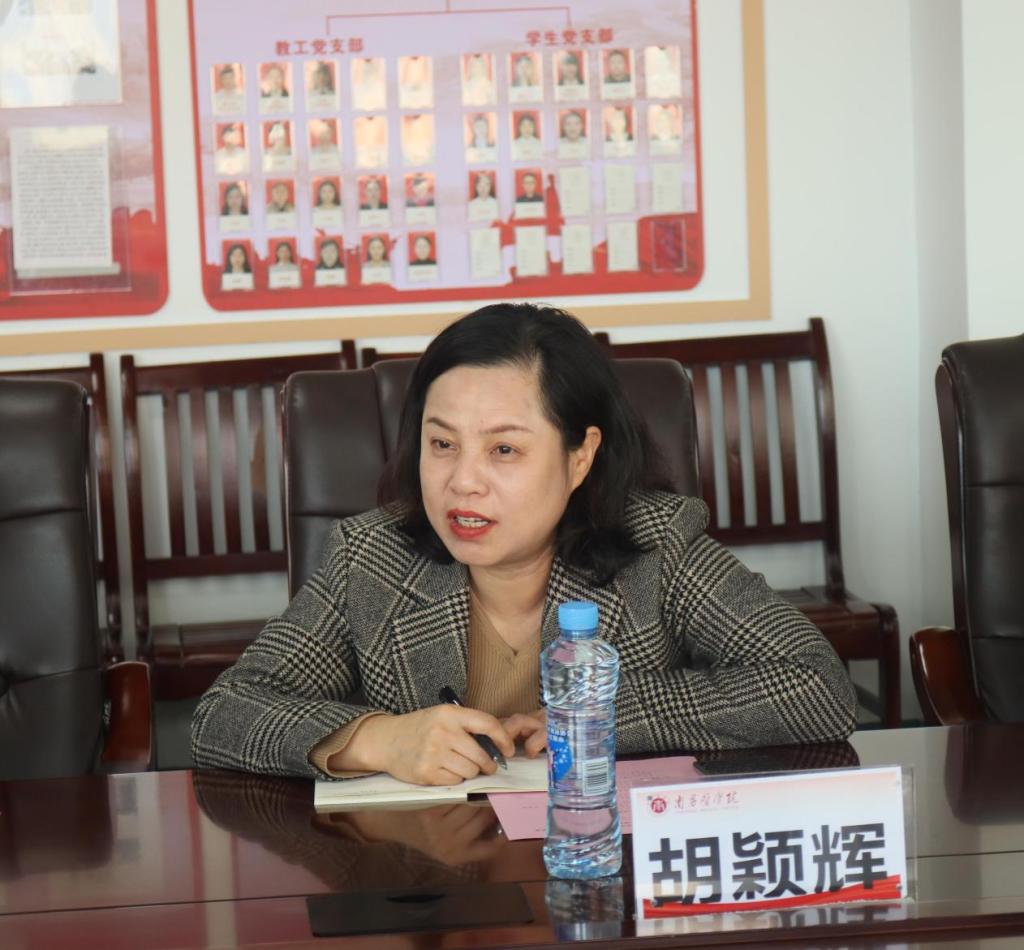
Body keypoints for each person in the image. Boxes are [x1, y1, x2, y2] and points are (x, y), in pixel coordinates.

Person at [191, 304, 856, 783]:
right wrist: (377, 739)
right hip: (428, 886)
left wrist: (596, 716)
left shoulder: (658, 547)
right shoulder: (370, 559)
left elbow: (816, 685)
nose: (462, 482)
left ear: (579, 457)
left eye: (504, 450)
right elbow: (223, 713)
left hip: (603, 867)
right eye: (441, 444)